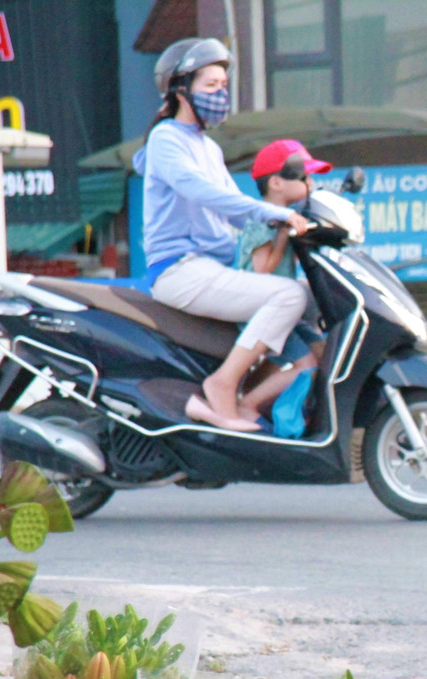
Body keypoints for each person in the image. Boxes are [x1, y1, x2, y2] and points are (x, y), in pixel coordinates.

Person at [133, 37, 312, 432]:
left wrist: (295, 220)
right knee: (289, 295)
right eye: (211, 86)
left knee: (307, 322)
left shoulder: (208, 149)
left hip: (214, 269)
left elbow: (234, 211)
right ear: (182, 92)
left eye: (223, 86)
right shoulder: (166, 139)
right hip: (179, 270)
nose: (221, 94)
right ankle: (222, 384)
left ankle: (249, 406)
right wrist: (272, 210)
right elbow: (202, 192)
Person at [231, 138, 332, 421]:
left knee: (323, 355)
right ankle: (247, 406)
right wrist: (284, 234)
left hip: (286, 310)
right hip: (264, 310)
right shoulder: (264, 221)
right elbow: (263, 269)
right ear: (276, 183)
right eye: (304, 176)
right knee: (307, 365)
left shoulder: (290, 218)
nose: (310, 183)